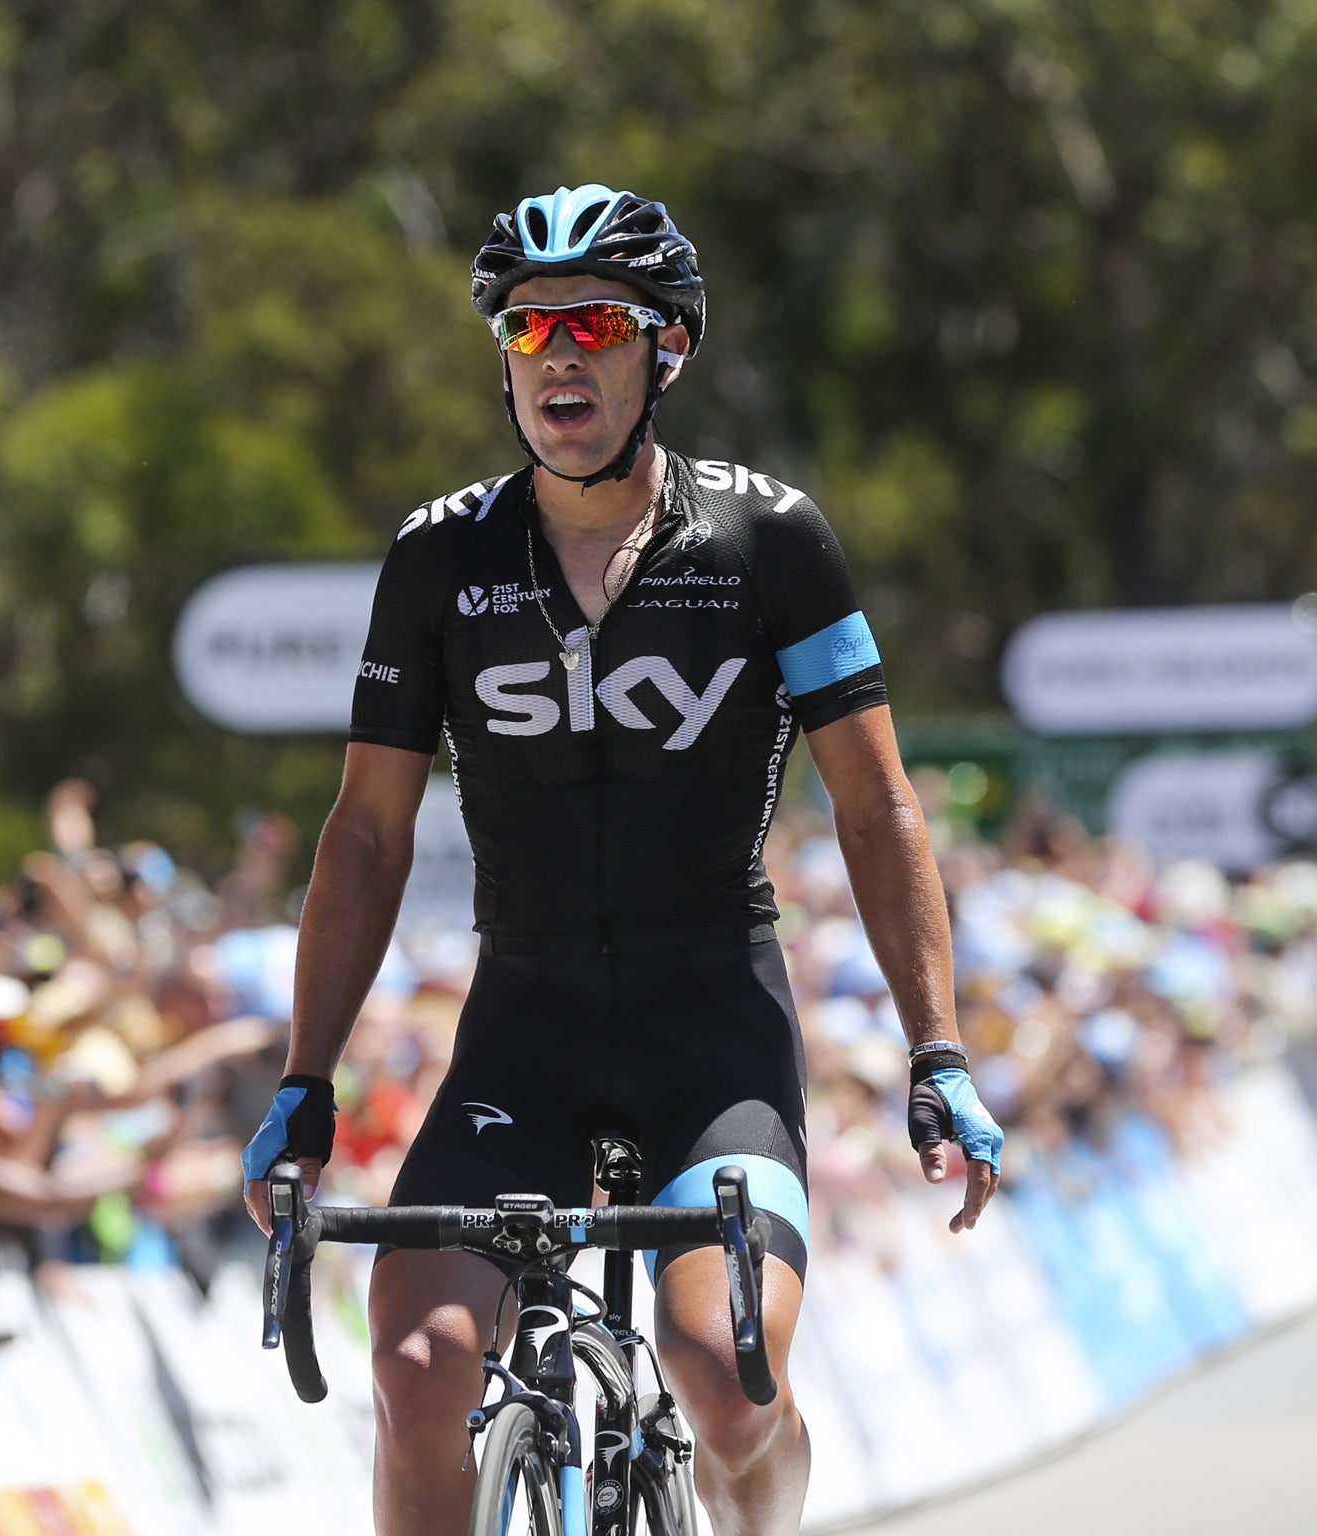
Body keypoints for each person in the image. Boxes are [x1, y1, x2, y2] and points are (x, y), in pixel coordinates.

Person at [242, 184, 1006, 1536]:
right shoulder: (440, 560)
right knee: (417, 1372)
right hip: (522, 1028)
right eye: (528, 330)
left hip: (712, 1025)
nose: (558, 356)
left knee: (726, 1377)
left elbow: (878, 808)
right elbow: (364, 832)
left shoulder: (768, 542)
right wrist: (307, 1079)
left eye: (593, 321)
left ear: (670, 349)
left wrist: (935, 1047)